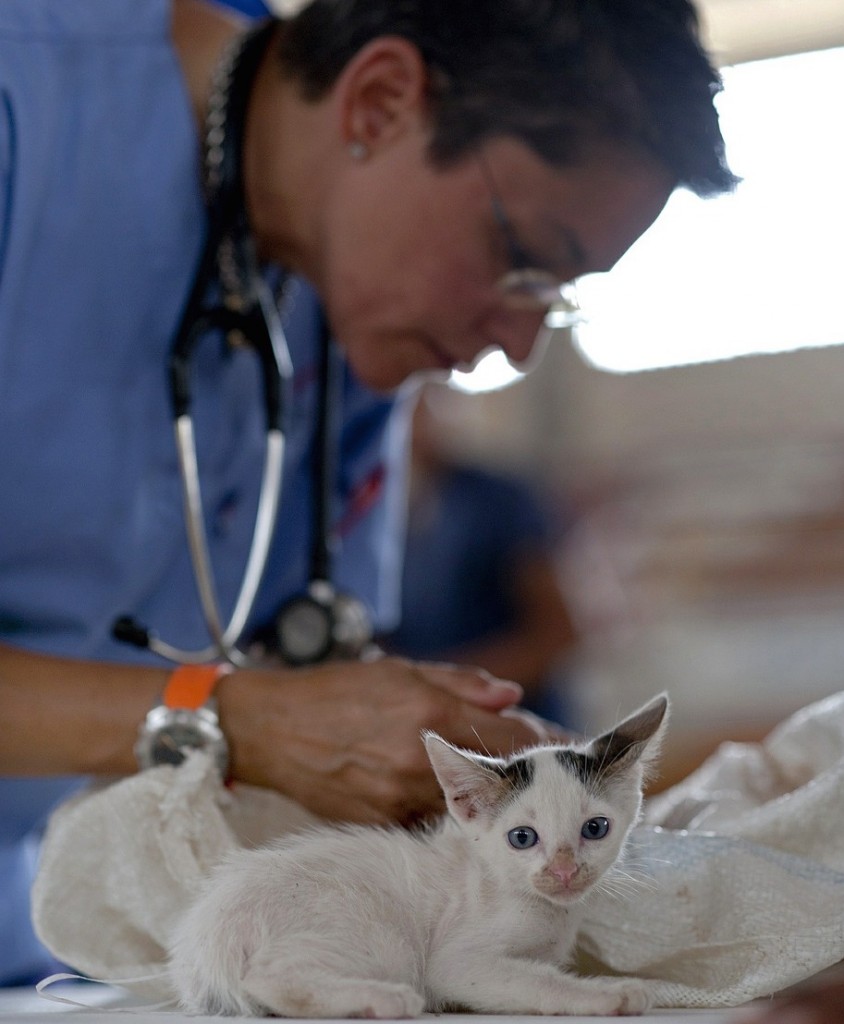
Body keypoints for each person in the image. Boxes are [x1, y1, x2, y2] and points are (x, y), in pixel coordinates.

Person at [0, 0, 736, 986]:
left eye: (556, 298)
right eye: (520, 263)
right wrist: (233, 722)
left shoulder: (347, 320)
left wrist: (413, 748)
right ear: (380, 102)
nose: (516, 346)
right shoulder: (27, 107)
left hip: (59, 933)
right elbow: (252, 707)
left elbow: (309, 653)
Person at [383, 385, 579, 724]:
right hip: (434, 727)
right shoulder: (376, 512)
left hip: (519, 723)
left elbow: (556, 632)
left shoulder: (499, 501)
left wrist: (451, 688)